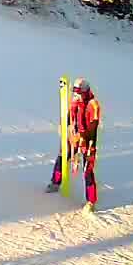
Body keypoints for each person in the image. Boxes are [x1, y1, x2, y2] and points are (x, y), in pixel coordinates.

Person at [49, 78, 102, 208]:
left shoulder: (93, 104)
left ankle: (91, 201)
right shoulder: (75, 101)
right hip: (74, 137)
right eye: (75, 92)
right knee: (62, 157)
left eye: (79, 93)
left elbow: (93, 126)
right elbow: (69, 116)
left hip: (87, 141)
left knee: (87, 170)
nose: (76, 95)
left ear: (85, 91)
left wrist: (82, 136)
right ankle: (55, 183)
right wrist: (64, 126)